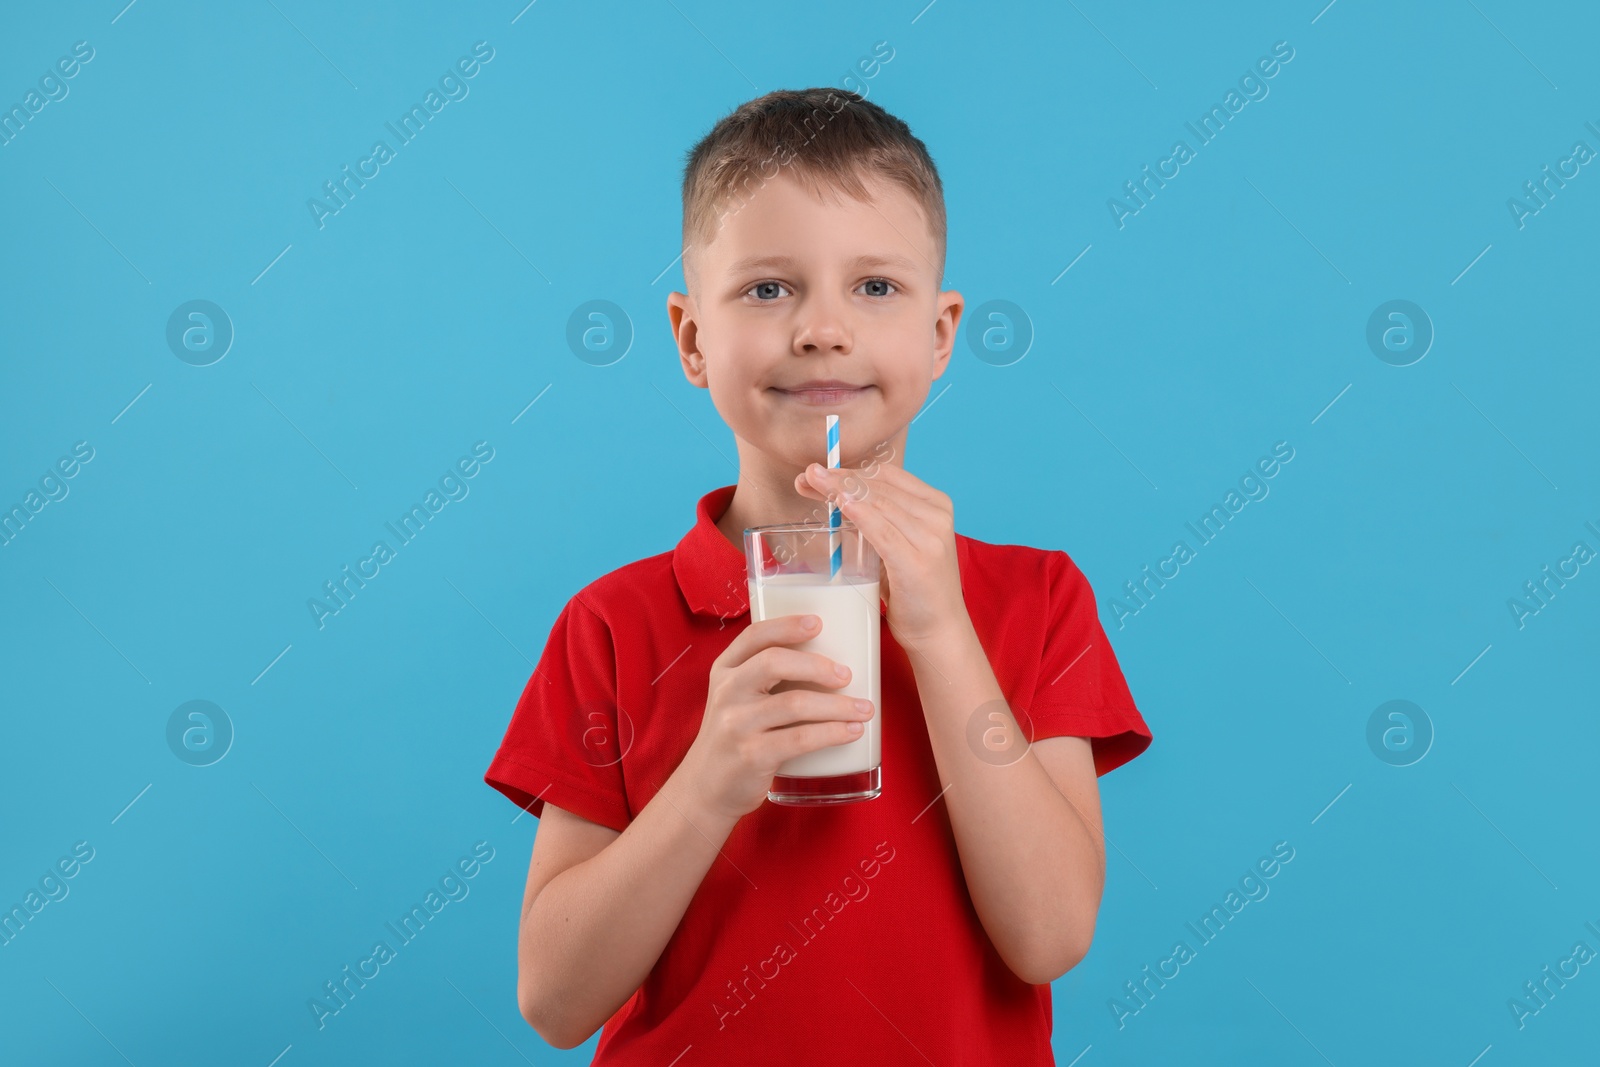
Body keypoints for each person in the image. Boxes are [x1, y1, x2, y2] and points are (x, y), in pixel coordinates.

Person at [484, 86, 1153, 1064]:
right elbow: (554, 998)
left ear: (940, 331)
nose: (823, 329)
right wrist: (708, 781)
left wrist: (938, 631)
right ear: (690, 338)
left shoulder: (1037, 599)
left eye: (875, 286)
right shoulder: (613, 624)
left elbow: (1047, 933)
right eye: (767, 288)